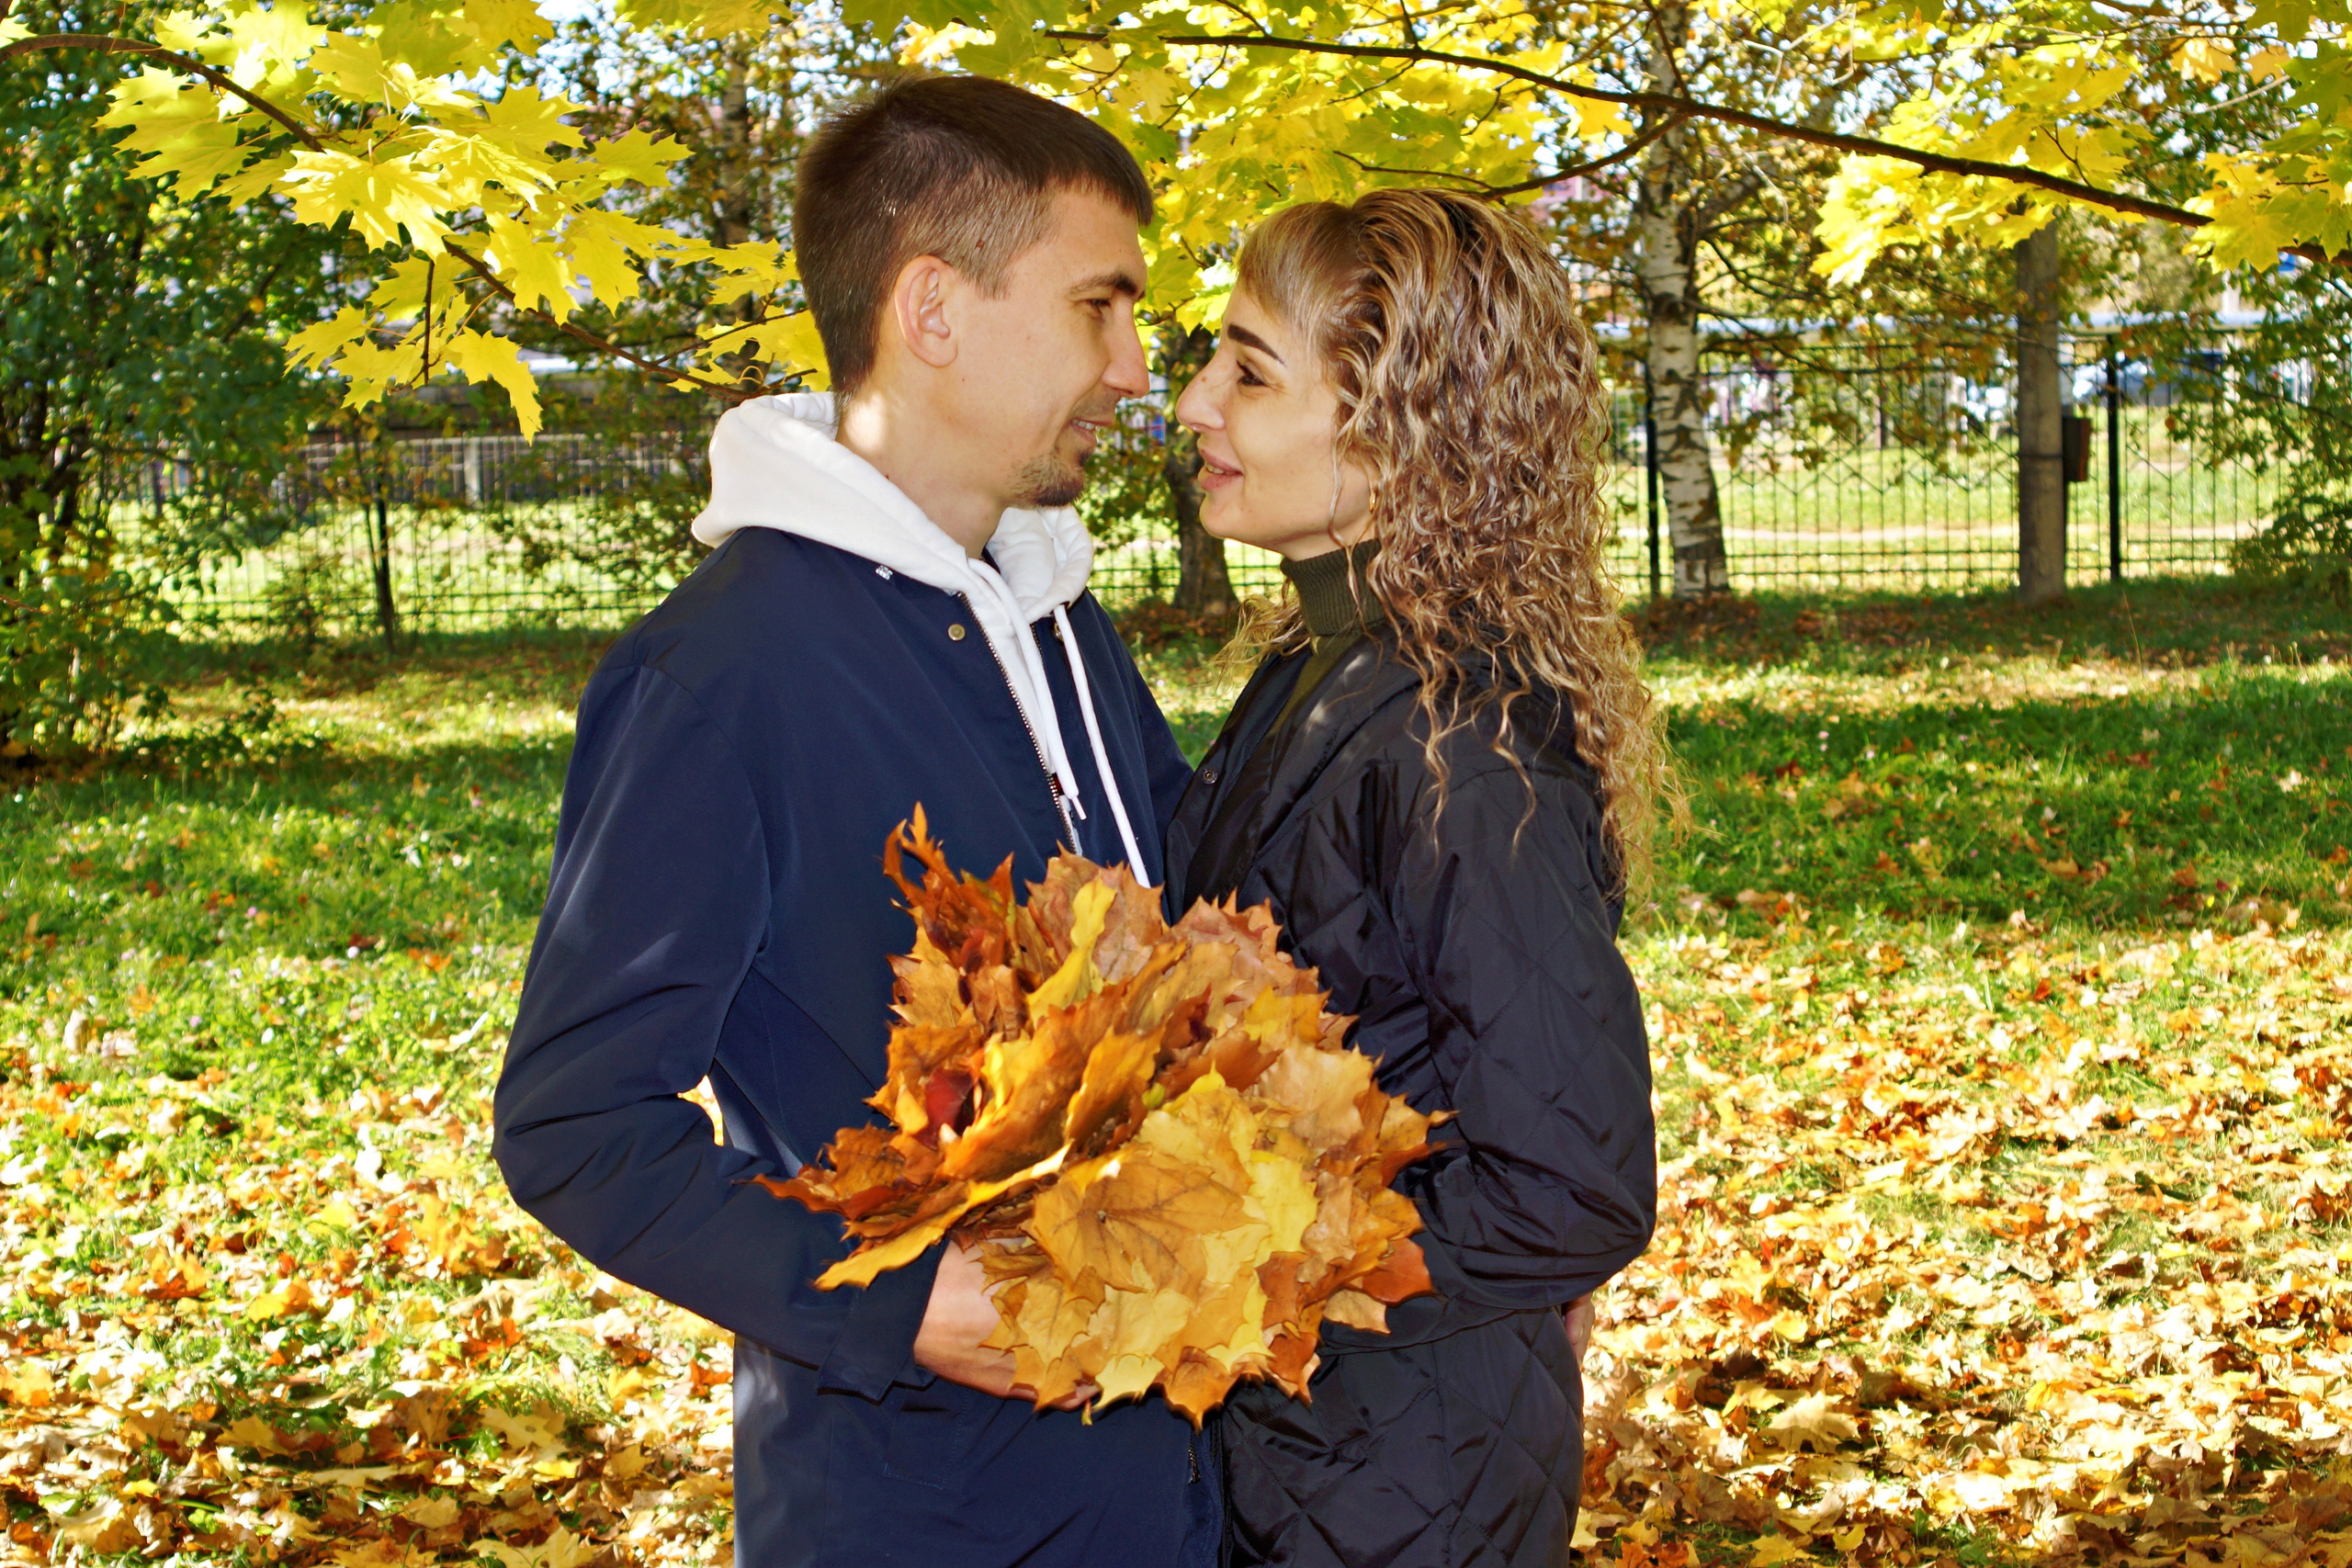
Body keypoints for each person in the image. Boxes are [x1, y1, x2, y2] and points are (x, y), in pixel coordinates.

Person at [492, 74, 1211, 1568]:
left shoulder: (1057, 622)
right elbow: (575, 1124)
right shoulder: (722, 674)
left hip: (1171, 1478)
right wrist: (896, 1301)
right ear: (934, 310)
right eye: (1100, 307)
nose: (1136, 369)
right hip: (921, 1506)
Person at [1163, 188, 1667, 1567]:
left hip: (1402, 1485)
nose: (1196, 404)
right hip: (1326, 1448)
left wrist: (1237, 1270)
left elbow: (1571, 1184)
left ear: (1394, 430)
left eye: (1250, 372)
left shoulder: (1467, 738)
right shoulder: (1330, 668)